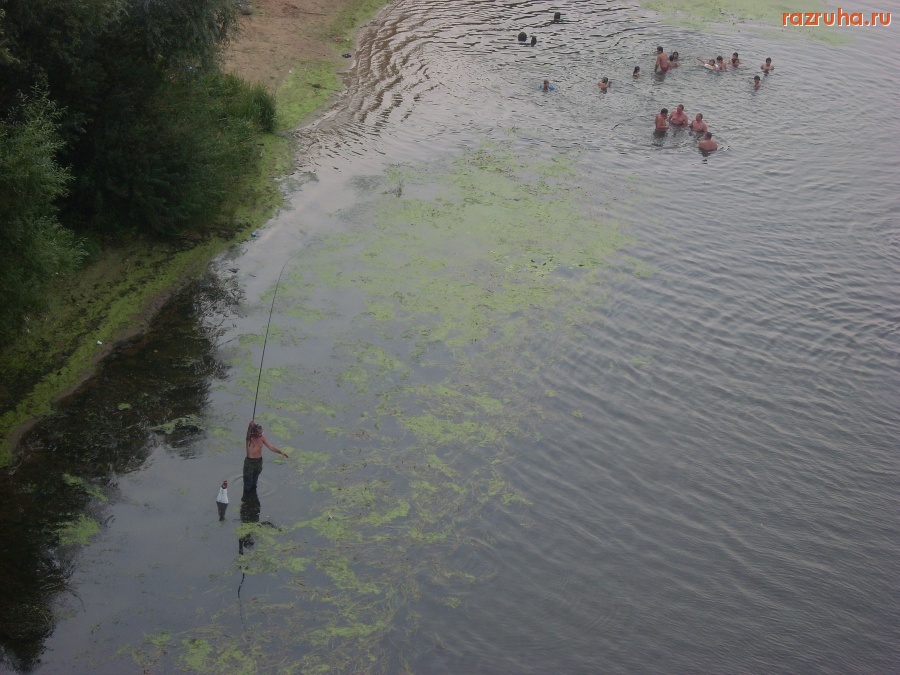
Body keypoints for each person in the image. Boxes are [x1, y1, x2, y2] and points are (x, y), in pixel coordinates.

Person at [243, 420, 288, 497]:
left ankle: (253, 497)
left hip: (258, 462)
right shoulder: (250, 439)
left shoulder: (262, 438)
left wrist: (280, 452)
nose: (260, 435)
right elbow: (248, 435)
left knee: (254, 482)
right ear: (254, 432)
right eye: (259, 433)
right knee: (248, 483)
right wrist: (249, 426)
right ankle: (246, 499)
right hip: (250, 462)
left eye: (261, 433)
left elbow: (271, 447)